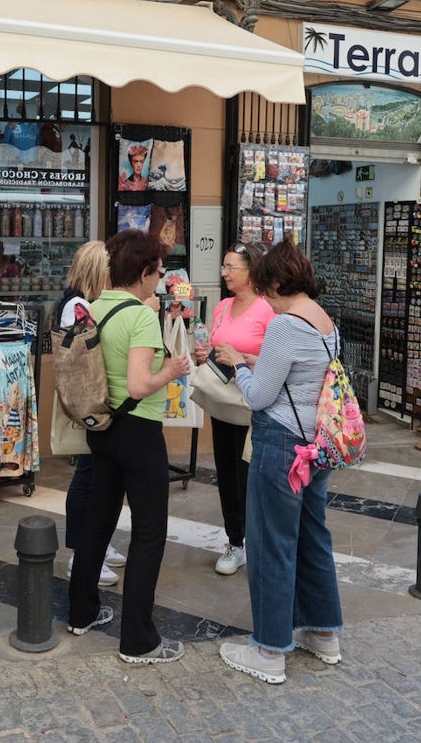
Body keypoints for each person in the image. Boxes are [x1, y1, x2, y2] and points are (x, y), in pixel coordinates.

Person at [214, 239, 344, 685]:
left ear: (275, 281)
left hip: (281, 444)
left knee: (271, 544)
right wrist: (254, 359)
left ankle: (270, 649)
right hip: (317, 443)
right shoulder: (324, 321)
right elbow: (299, 373)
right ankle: (324, 632)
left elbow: (259, 395)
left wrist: (237, 365)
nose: (263, 294)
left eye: (265, 284)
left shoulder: (285, 325)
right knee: (312, 537)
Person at [66, 229, 191, 665]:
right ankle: (138, 640)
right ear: (142, 272)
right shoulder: (139, 316)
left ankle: (80, 611)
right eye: (157, 272)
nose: (159, 280)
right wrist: (172, 369)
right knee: (149, 532)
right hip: (138, 430)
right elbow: (140, 383)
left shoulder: (94, 306)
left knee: (98, 520)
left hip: (101, 427)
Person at [191, 242, 274, 576]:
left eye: (231, 267)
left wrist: (243, 361)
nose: (224, 272)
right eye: (224, 266)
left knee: (250, 476)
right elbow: (216, 349)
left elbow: (274, 362)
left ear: (251, 270)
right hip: (223, 405)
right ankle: (235, 541)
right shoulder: (222, 307)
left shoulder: (268, 309)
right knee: (226, 472)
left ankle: (258, 541)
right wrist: (206, 355)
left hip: (253, 405)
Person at [57, 241, 126, 588]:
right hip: (88, 404)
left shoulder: (80, 302)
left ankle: (96, 544)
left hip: (91, 403)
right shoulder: (79, 306)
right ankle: (81, 555)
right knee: (88, 478)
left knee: (96, 477)